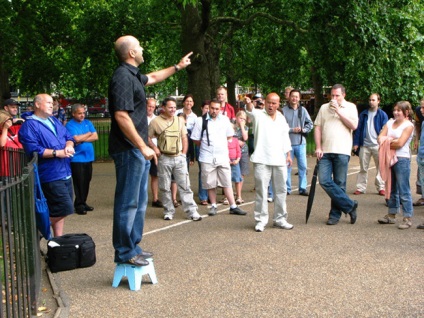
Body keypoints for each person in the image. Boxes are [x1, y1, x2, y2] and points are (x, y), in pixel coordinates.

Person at [108, 34, 192, 266]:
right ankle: (124, 252)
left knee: (139, 201)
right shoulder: (122, 77)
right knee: (128, 202)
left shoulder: (134, 76)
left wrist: (178, 66)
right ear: (131, 53)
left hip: (136, 150)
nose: (143, 48)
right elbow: (121, 116)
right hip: (129, 150)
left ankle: (133, 246)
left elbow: (155, 76)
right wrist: (142, 145)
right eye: (140, 46)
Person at [19, 94, 75, 237]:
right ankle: (35, 231)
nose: (52, 105)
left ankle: (57, 241)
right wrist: (57, 153)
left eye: (52, 103)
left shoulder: (53, 120)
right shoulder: (29, 125)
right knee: (65, 208)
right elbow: (33, 150)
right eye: (48, 102)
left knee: (58, 209)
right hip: (50, 174)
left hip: (65, 171)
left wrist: (69, 146)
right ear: (37, 105)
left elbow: (68, 137)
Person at [245, 93, 293, 232]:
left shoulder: (281, 118)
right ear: (264, 102)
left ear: (278, 104)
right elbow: (250, 110)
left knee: (281, 190)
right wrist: (249, 102)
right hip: (261, 159)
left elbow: (285, 137)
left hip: (279, 159)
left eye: (274, 103)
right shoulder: (258, 114)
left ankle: (280, 219)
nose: (271, 106)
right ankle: (261, 220)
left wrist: (288, 154)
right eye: (269, 102)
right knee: (262, 191)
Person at [148, 97, 202, 221]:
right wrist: (155, 149)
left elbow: (184, 138)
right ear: (163, 108)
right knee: (165, 186)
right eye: (170, 107)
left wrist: (183, 154)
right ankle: (168, 211)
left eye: (174, 107)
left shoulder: (179, 121)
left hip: (179, 158)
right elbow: (148, 137)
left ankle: (192, 211)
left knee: (185, 185)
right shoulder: (155, 122)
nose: (173, 109)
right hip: (164, 158)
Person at [191, 99, 247, 216]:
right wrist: (206, 146)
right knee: (210, 183)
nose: (214, 111)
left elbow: (229, 136)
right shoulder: (200, 121)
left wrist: (219, 145)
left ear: (220, 109)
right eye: (212, 108)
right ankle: (213, 205)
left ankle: (233, 206)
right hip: (207, 157)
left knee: (227, 181)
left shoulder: (225, 120)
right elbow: (195, 139)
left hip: (222, 156)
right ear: (208, 108)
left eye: (217, 109)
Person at [314, 84, 359, 225]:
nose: (334, 98)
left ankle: (334, 215)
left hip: (342, 150)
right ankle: (350, 205)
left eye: (337, 95)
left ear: (343, 95)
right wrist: (318, 147)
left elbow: (354, 126)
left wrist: (339, 111)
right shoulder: (323, 108)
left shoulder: (351, 107)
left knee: (340, 184)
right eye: (332, 95)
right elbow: (318, 127)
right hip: (326, 151)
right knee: (324, 180)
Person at [377, 101, 414, 229]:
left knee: (404, 189)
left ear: (406, 112)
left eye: (399, 110)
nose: (396, 112)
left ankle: (407, 217)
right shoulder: (389, 123)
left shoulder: (408, 126)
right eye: (395, 110)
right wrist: (389, 141)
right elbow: (379, 137)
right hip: (389, 158)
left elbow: (400, 143)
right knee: (391, 187)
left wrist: (386, 142)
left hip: (402, 159)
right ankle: (391, 214)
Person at [352, 93, 388, 195]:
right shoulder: (364, 114)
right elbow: (358, 129)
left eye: (373, 100)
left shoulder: (382, 115)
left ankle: (381, 187)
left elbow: (385, 129)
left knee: (380, 167)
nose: (371, 102)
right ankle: (361, 187)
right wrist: (356, 143)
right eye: (370, 100)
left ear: (378, 101)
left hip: (377, 145)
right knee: (363, 167)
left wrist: (382, 142)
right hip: (365, 145)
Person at [66, 104, 98, 215]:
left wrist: (82, 138)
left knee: (86, 181)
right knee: (79, 182)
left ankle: (83, 202)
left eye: (83, 113)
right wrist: (88, 134)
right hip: (77, 158)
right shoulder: (70, 125)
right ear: (73, 113)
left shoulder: (88, 123)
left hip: (88, 157)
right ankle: (78, 205)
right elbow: (75, 139)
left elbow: (95, 137)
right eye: (79, 113)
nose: (82, 115)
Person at [282, 89, 313, 196]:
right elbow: (280, 127)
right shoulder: (283, 110)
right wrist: (291, 130)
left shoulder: (303, 110)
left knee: (303, 166)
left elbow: (310, 124)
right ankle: (287, 188)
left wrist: (303, 129)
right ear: (289, 97)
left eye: (296, 96)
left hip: (301, 143)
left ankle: (302, 188)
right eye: (292, 96)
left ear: (299, 98)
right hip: (287, 144)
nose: (294, 98)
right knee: (287, 167)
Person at [147, 98, 162, 208]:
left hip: (155, 150)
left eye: (153, 107)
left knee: (155, 175)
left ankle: (155, 198)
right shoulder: (141, 118)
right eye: (149, 106)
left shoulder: (157, 119)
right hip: (143, 150)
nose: (151, 109)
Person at [234, 110, 249, 204]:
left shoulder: (245, 127)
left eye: (244, 119)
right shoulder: (232, 127)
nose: (242, 120)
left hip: (243, 152)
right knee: (234, 173)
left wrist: (242, 127)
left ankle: (239, 195)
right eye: (240, 118)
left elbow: (245, 138)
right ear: (236, 118)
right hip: (233, 153)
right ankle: (230, 195)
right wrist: (236, 142)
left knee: (241, 174)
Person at [196, 101, 210, 205]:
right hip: (201, 148)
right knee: (203, 172)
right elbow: (195, 138)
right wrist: (203, 145)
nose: (208, 110)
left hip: (212, 150)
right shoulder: (200, 120)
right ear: (202, 108)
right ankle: (203, 196)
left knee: (212, 173)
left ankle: (210, 195)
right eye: (206, 108)